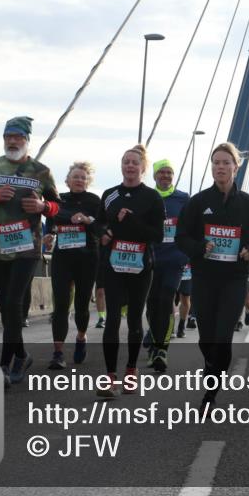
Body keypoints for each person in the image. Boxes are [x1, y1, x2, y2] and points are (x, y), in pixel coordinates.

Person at [177, 142, 249, 410]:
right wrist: (199, 248)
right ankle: (211, 366)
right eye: (216, 162)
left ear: (235, 168)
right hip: (204, 277)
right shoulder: (198, 202)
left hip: (235, 278)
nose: (220, 167)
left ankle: (211, 392)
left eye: (226, 163)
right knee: (207, 337)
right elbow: (181, 237)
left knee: (223, 336)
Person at [0, 116, 60, 386]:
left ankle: (4, 365)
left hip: (27, 249)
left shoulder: (41, 171)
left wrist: (44, 207)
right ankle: (21, 355)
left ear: (27, 140)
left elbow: (58, 208)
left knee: (13, 304)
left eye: (17, 137)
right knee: (6, 308)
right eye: (8, 137)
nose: (12, 141)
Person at [94, 145, 164, 398]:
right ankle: (110, 376)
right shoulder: (109, 195)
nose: (130, 166)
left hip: (141, 266)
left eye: (135, 162)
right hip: (114, 265)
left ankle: (131, 371)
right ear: (121, 166)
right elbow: (99, 224)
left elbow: (157, 235)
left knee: (134, 319)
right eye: (126, 162)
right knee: (112, 319)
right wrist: (103, 233)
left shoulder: (152, 198)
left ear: (143, 168)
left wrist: (132, 220)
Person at [44, 161, 103, 368]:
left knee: (81, 305)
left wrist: (87, 220)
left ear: (88, 182)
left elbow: (101, 229)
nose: (79, 180)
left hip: (87, 258)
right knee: (60, 305)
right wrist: (49, 234)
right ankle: (58, 353)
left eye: (83, 177)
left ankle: (81, 337)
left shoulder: (94, 201)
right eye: (75, 177)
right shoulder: (59, 200)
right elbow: (50, 221)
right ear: (67, 180)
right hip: (63, 258)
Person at [146, 159, 189, 371]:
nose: (165, 176)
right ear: (154, 176)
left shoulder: (183, 198)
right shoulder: (147, 197)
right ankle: (155, 342)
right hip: (151, 260)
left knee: (166, 299)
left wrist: (187, 252)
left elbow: (193, 226)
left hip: (174, 259)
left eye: (169, 172)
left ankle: (162, 349)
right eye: (161, 172)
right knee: (152, 305)